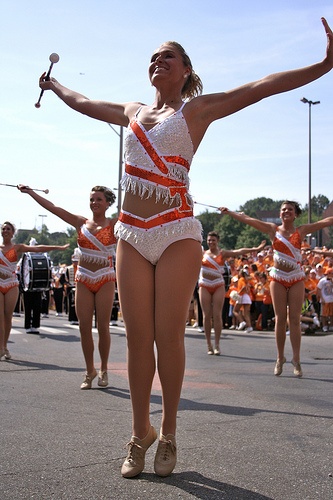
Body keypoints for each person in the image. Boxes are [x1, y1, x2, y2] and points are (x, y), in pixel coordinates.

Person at [34, 19, 333, 477]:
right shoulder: (133, 110)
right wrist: (55, 86)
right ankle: (140, 433)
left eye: (166, 56)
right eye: (153, 57)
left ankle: (169, 430)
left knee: (167, 335)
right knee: (137, 339)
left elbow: (262, 87)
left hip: (176, 231)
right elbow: (88, 103)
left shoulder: (197, 111)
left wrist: (325, 64)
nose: (157, 62)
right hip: (131, 232)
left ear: (186, 69)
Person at [18, 186, 117, 389]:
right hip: (84, 278)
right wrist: (30, 192)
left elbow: (139, 214)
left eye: (99, 199)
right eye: (91, 199)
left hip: (105, 277)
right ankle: (90, 371)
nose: (94, 203)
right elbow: (53, 207)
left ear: (108, 203)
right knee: (84, 327)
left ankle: (104, 369)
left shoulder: (115, 224)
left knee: (103, 326)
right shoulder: (80, 222)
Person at [220, 201, 333, 377]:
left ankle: (296, 359)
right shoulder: (273, 230)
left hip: (296, 278)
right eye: (283, 210)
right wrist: (230, 213)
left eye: (290, 209)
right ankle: (280, 358)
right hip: (278, 278)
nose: (286, 211)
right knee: (280, 319)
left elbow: (325, 222)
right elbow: (248, 220)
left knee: (294, 319)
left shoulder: (301, 231)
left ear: (295, 214)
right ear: (280, 214)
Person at [0, 221, 69, 359]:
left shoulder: (17, 247)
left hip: (12, 284)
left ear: (13, 232)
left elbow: (38, 249)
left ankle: (5, 346)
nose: (5, 230)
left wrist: (58, 247)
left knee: (8, 316)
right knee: (0, 317)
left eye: (8, 229)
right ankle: (1, 347)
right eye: (3, 229)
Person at [198, 231, 265, 354]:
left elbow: (239, 251)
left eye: (213, 240)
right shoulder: (202, 254)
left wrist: (256, 248)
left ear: (217, 240)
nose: (210, 242)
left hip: (218, 284)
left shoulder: (222, 253)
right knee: (206, 315)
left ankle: (217, 344)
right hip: (204, 285)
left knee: (217, 314)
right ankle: (209, 344)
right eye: (209, 240)